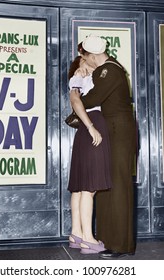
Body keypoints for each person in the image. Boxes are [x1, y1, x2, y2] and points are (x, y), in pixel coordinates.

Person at [70, 34, 137, 259]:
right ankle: (107, 240)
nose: (83, 61)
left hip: (119, 133)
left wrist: (75, 89)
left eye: (84, 57)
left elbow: (90, 100)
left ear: (94, 55)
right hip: (111, 132)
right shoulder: (104, 71)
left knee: (117, 186)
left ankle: (120, 245)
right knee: (106, 186)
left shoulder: (109, 70)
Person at [67, 54, 113, 254]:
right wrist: (92, 127)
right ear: (79, 65)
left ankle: (76, 234)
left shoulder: (87, 78)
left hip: (84, 131)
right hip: (91, 124)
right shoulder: (79, 78)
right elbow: (75, 103)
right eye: (83, 60)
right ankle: (88, 238)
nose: (87, 61)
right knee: (89, 187)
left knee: (80, 186)